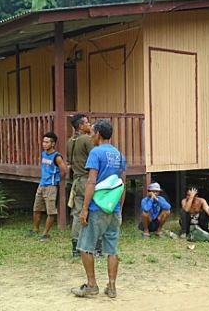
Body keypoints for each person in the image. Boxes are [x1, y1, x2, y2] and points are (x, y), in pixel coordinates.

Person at [72, 119, 126, 299]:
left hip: (96, 207)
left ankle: (91, 285)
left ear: (99, 135)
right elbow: (121, 184)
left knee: (85, 247)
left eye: (93, 133)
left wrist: (85, 208)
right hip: (114, 207)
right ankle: (111, 286)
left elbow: (91, 181)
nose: (91, 136)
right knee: (111, 249)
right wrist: (120, 207)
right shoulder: (118, 154)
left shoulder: (96, 153)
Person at [30, 132, 67, 242]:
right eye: (43, 142)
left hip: (51, 186)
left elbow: (64, 170)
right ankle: (35, 229)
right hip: (41, 184)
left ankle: (46, 233)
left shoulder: (57, 156)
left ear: (53, 143)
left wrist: (56, 180)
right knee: (36, 208)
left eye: (47, 142)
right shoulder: (43, 154)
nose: (44, 144)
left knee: (50, 211)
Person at [66, 114, 93, 256]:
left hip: (76, 180)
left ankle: (75, 246)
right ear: (81, 126)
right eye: (87, 123)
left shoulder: (70, 141)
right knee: (94, 211)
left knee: (77, 213)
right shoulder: (87, 139)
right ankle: (96, 245)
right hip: (88, 180)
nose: (90, 125)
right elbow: (95, 157)